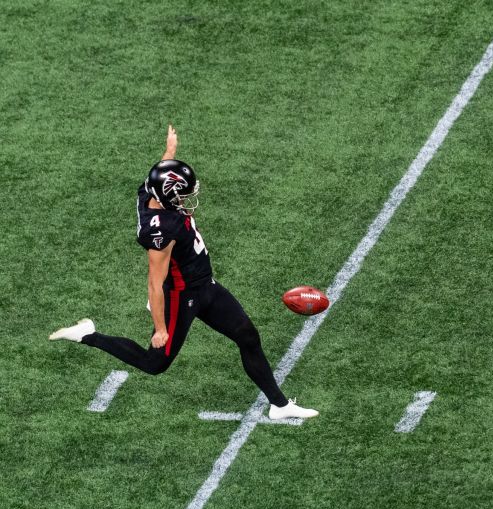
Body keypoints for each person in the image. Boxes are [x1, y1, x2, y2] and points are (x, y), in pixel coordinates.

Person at [48, 126, 317, 420]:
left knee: (247, 335)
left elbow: (159, 175)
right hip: (182, 294)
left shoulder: (148, 193)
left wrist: (170, 152)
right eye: (181, 196)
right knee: (154, 363)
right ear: (166, 197)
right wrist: (160, 328)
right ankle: (89, 335)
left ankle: (279, 405)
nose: (186, 200)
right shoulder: (163, 232)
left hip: (205, 285)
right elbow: (154, 282)